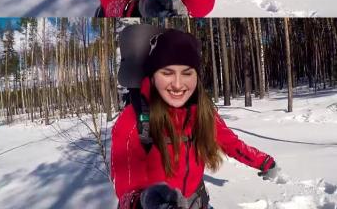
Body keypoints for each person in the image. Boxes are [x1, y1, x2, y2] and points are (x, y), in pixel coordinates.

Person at [110, 29, 278, 209]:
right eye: (167, 72)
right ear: (152, 76)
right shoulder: (133, 120)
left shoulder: (202, 112)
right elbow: (126, 191)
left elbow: (231, 144)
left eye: (187, 73)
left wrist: (263, 161)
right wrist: (144, 202)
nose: (177, 84)